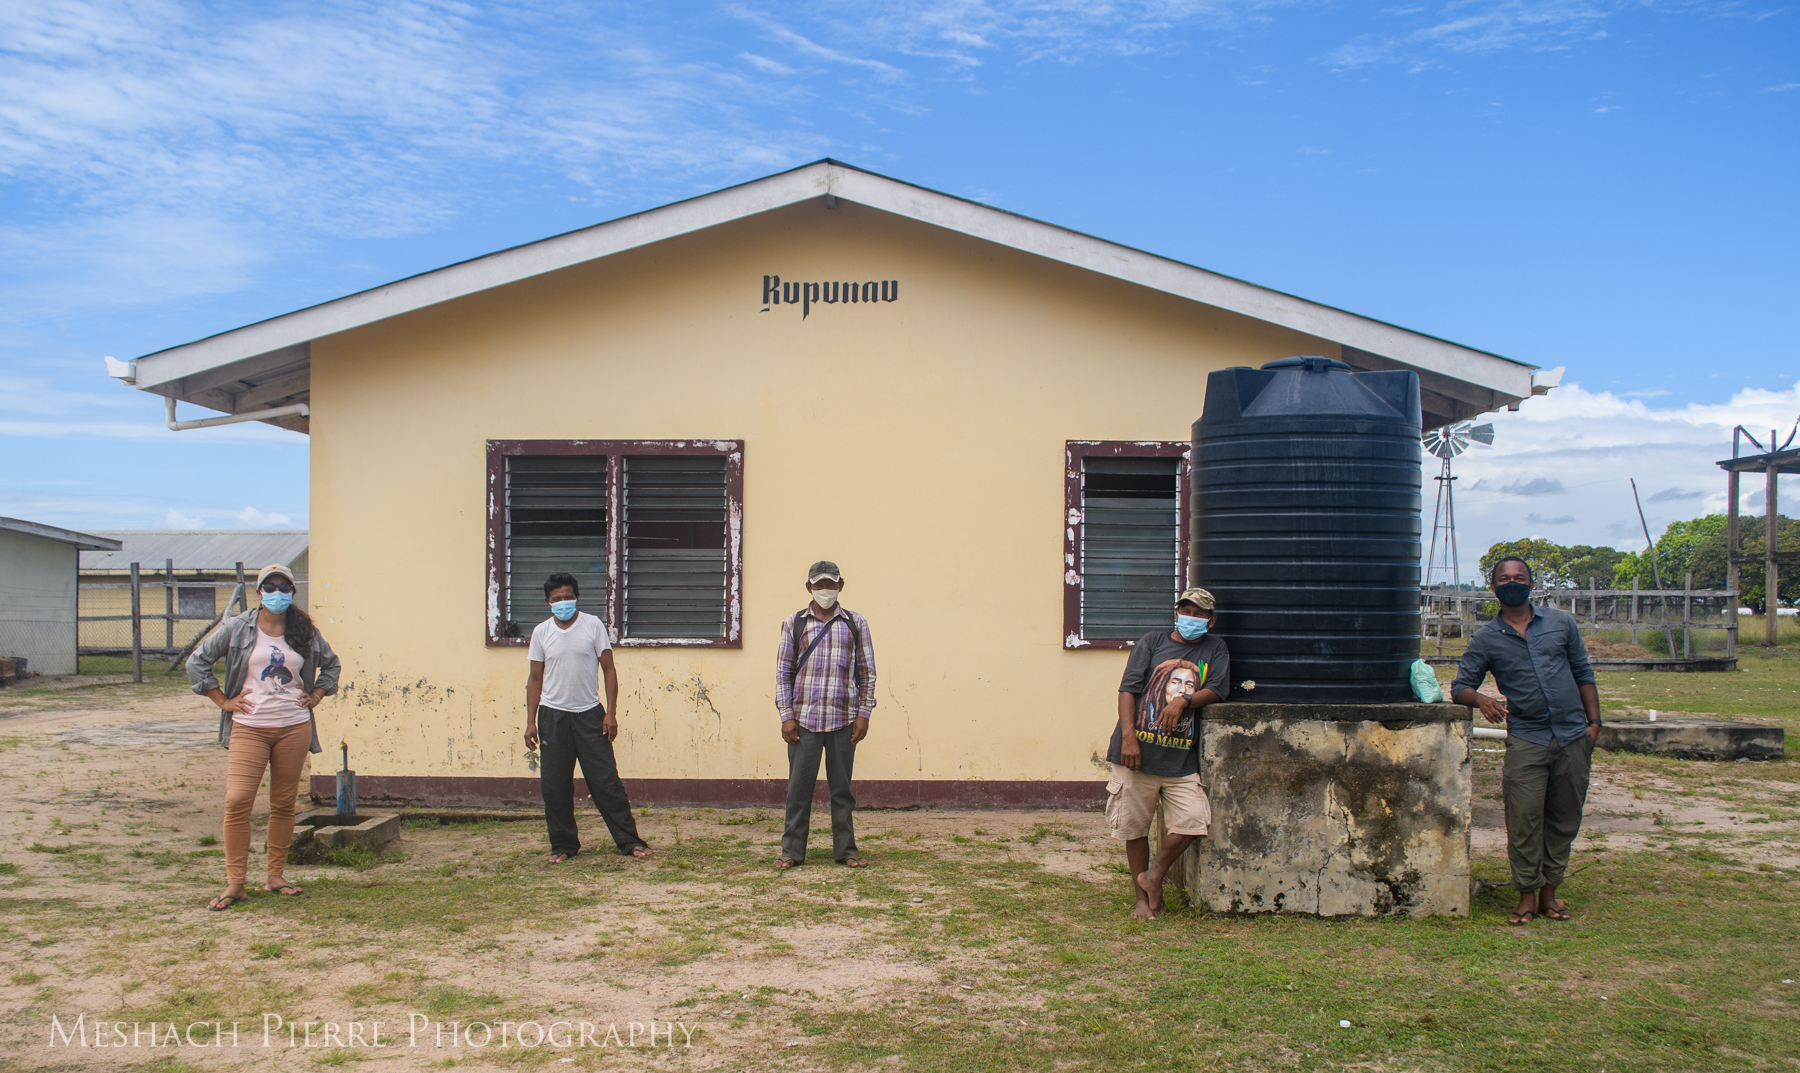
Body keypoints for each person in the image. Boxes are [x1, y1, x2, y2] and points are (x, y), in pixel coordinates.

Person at [1452, 556, 1602, 926]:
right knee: (1524, 818)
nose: (1512, 582)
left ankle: (1551, 892)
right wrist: (1482, 699)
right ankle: (1526, 895)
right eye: (1505, 578)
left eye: (1519, 577)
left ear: (1531, 584)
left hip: (1572, 735)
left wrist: (1594, 723)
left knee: (1564, 817)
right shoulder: (1487, 638)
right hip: (1527, 738)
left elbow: (1582, 670)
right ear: (1494, 587)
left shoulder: (1560, 622)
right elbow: (1460, 687)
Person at [187, 564, 339, 911]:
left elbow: (331, 665)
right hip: (250, 726)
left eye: (284, 587)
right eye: (269, 587)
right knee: (238, 800)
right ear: (259, 592)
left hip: (294, 726)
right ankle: (235, 883)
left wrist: (316, 695)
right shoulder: (238, 628)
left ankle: (276, 876)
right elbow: (198, 662)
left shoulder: (304, 631)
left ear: (292, 592)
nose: (277, 593)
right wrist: (223, 702)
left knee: (284, 803)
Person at [1106, 587, 1230, 920]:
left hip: (1180, 761)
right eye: (1185, 611)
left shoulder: (1215, 648)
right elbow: (1128, 690)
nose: (1191, 618)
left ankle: (1155, 874)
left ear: (1211, 620)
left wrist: (1184, 701)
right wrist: (1129, 738)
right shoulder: (1152, 642)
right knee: (1135, 829)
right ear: (1176, 613)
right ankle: (1142, 901)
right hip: (1137, 755)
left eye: (1199, 613)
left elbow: (1218, 688)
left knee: (1194, 821)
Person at [523, 573, 651, 863]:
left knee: (606, 783)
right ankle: (563, 845)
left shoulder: (592, 626)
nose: (563, 603)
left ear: (576, 597)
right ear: (548, 602)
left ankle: (630, 841)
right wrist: (531, 721)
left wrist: (610, 712)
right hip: (552, 716)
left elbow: (609, 669)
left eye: (568, 597)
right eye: (557, 599)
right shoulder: (541, 632)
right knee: (555, 787)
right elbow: (534, 678)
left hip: (589, 715)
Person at [773, 560, 877, 869]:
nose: (825, 591)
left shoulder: (856, 624)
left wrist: (863, 714)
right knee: (798, 790)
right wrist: (787, 716)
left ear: (841, 586)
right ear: (809, 588)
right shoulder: (794, 624)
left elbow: (866, 673)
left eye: (831, 584)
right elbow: (783, 674)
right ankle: (792, 852)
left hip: (843, 720)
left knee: (842, 791)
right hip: (804, 722)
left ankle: (846, 850)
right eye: (819, 585)